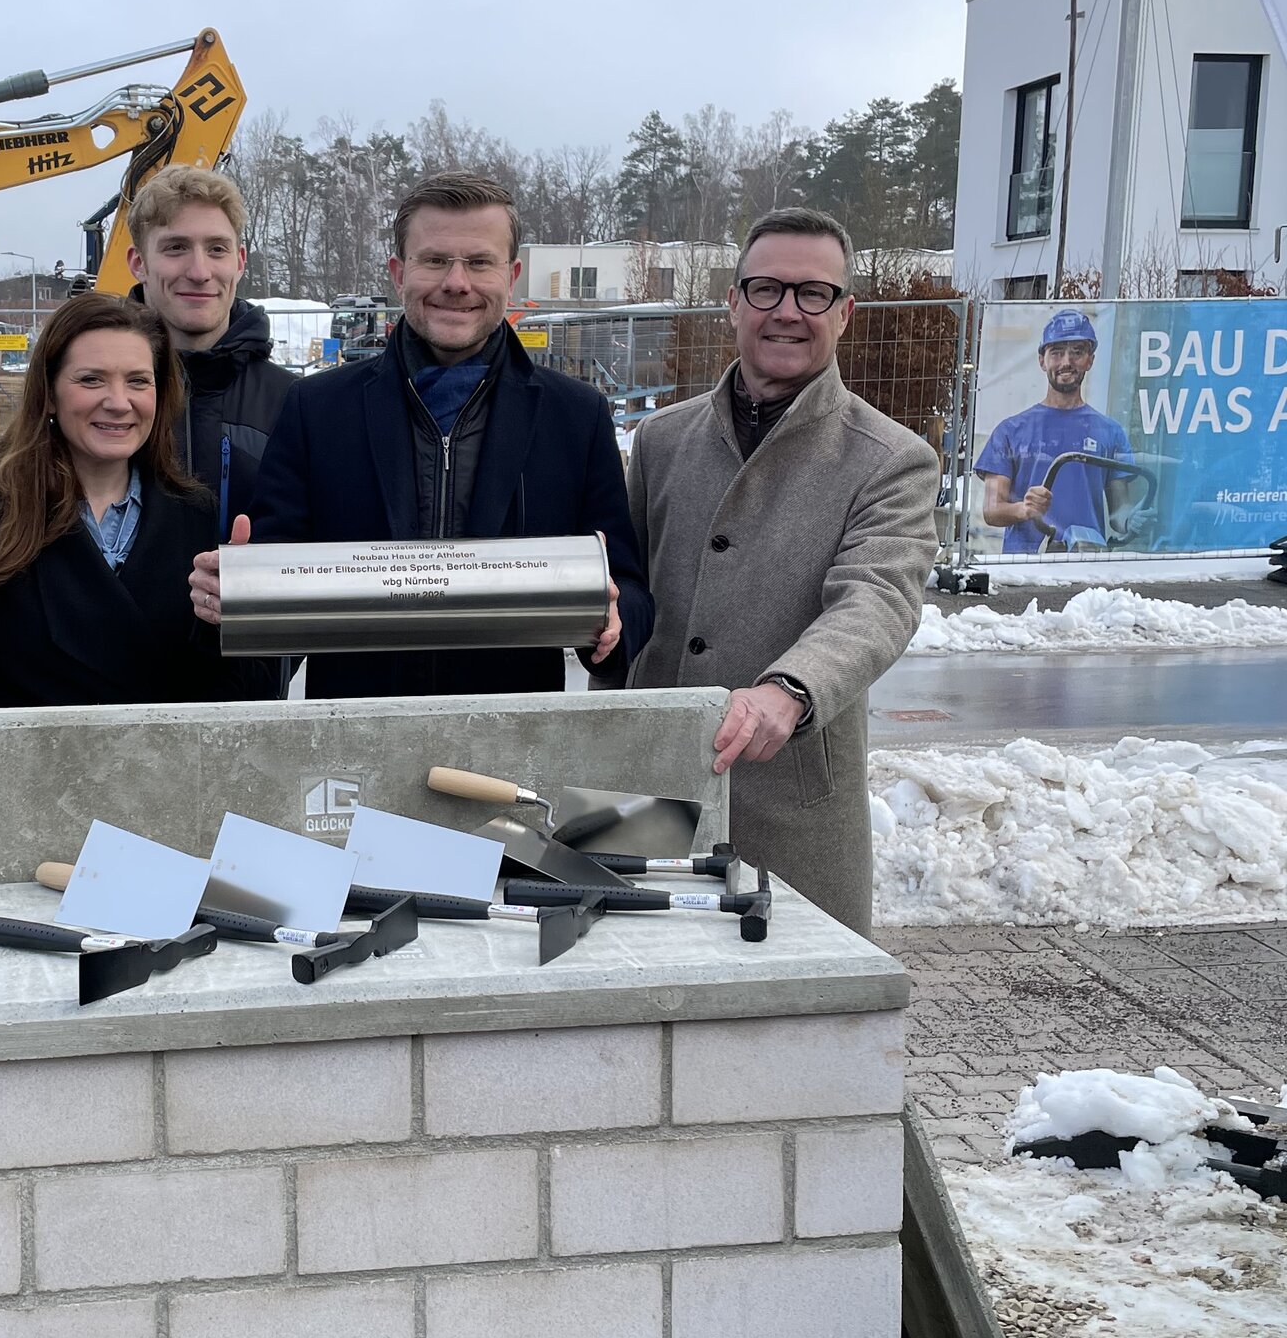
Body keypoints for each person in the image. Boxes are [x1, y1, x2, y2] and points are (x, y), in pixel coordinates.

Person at [190, 171, 650, 697]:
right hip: (359, 726)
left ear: (512, 275)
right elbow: (277, 595)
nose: (457, 282)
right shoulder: (318, 410)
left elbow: (628, 588)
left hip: (514, 730)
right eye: (434, 260)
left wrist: (617, 620)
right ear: (398, 273)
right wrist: (235, 593)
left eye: (480, 262)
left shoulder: (575, 416)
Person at [624, 207, 936, 939]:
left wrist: (791, 689)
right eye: (766, 289)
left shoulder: (891, 461)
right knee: (640, 984)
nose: (788, 311)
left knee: (791, 999)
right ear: (734, 303)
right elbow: (629, 597)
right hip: (646, 788)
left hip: (791, 803)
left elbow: (878, 600)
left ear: (845, 313)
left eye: (813, 293)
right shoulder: (661, 441)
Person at [0, 291, 246, 711]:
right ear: (49, 393)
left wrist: (235, 619)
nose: (118, 402)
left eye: (138, 381)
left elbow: (228, 688)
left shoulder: (193, 512)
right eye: (91, 379)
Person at [125, 164, 296, 536]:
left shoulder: (295, 404)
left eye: (217, 249)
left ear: (239, 262)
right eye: (176, 248)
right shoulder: (94, 400)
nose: (200, 272)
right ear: (139, 263)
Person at [975, 307, 1137, 553]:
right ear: (1042, 360)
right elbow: (991, 510)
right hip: (1024, 567)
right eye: (1057, 352)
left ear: (1090, 359)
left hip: (1088, 564)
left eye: (1077, 352)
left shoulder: (1110, 432)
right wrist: (1023, 509)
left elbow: (1119, 513)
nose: (1066, 362)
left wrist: (1133, 520)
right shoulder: (1009, 432)